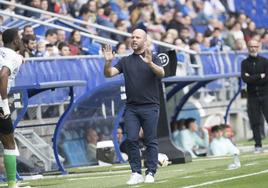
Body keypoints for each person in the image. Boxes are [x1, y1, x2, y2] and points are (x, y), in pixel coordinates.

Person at [102, 28, 165, 185]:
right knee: (131, 139)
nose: (134, 39)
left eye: (138, 37)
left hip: (150, 106)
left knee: (150, 140)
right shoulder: (125, 61)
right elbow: (108, 74)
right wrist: (108, 61)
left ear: (145, 40)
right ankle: (136, 172)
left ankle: (150, 171)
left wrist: (150, 63)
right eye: (132, 37)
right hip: (131, 108)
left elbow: (162, 73)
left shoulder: (153, 57)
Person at [0, 28, 29, 188]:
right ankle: (12, 184)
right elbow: (3, 75)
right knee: (9, 143)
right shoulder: (14, 57)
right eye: (19, 38)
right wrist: (4, 104)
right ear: (15, 41)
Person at [241, 39, 268, 153]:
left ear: (259, 47)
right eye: (251, 46)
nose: (253, 48)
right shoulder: (244, 63)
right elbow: (245, 78)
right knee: (255, 121)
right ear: (248, 48)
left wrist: (252, 77)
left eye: (255, 46)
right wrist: (259, 76)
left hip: (265, 94)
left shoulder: (265, 61)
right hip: (252, 96)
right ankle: (258, 145)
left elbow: (266, 78)